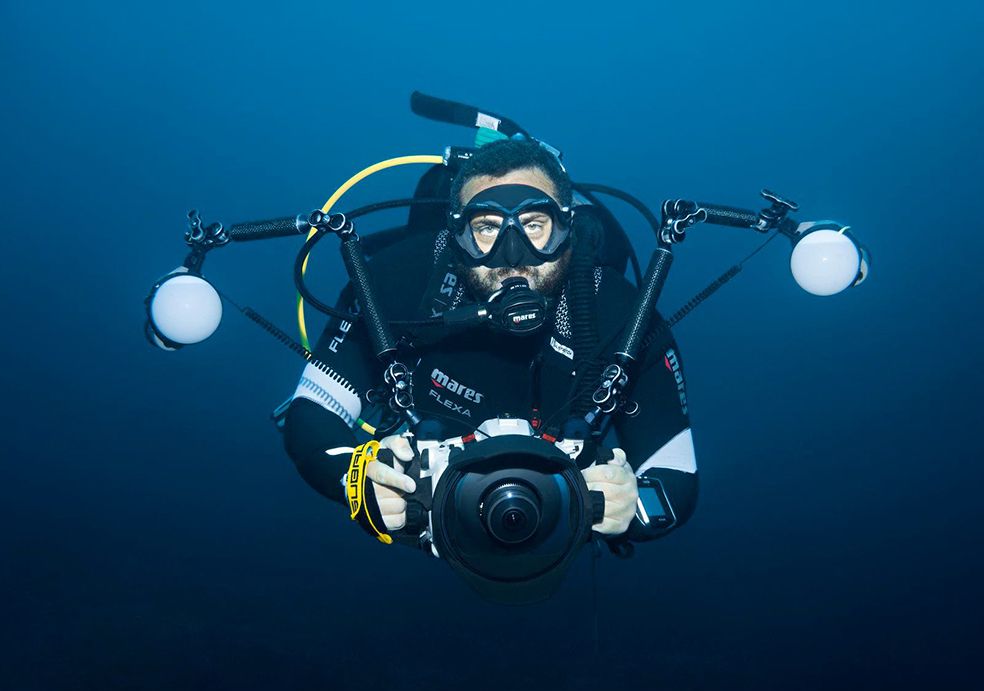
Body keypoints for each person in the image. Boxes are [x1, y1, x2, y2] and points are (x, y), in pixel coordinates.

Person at [282, 139, 698, 546]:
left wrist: (630, 507)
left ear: (566, 227)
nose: (512, 255)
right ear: (458, 234)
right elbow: (313, 413)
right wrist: (357, 481)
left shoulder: (623, 316)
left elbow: (676, 473)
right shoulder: (394, 281)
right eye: (487, 228)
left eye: (534, 224)